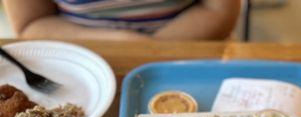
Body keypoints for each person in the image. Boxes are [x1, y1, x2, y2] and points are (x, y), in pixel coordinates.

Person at [4, 0, 241, 41]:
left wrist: (149, 49)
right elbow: (31, 25)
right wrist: (123, 40)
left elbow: (219, 11)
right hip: (79, 48)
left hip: (189, 44)